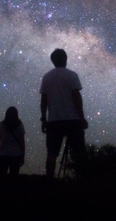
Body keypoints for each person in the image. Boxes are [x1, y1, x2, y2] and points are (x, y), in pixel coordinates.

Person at [39, 48, 88, 178]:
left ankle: (50, 181)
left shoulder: (47, 77)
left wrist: (44, 119)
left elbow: (43, 101)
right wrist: (82, 117)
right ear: (65, 59)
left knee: (52, 154)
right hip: (73, 120)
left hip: (54, 121)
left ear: (53, 61)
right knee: (79, 154)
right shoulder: (72, 75)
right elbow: (76, 97)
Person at [0, 106, 25, 176]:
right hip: (16, 155)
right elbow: (22, 143)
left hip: (3, 155)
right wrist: (22, 156)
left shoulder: (0, 125)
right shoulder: (19, 126)